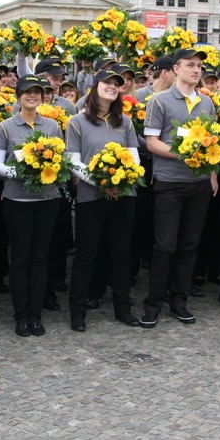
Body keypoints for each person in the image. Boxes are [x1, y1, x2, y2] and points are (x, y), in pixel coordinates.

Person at [141, 48, 218, 328]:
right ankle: (153, 303)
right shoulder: (159, 101)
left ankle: (179, 301)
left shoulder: (207, 103)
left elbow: (211, 142)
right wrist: (184, 154)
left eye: (199, 66)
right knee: (165, 245)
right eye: (190, 65)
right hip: (170, 182)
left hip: (197, 184)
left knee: (189, 244)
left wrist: (210, 173)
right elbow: (152, 142)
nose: (196, 70)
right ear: (176, 69)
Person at [65, 68, 143, 332]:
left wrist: (119, 182)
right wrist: (102, 182)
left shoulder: (126, 122)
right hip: (91, 197)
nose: (112, 87)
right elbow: (73, 161)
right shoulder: (77, 121)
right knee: (86, 254)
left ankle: (123, 308)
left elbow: (134, 158)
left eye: (116, 84)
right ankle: (77, 312)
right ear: (95, 85)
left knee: (121, 253)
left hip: (124, 195)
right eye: (107, 82)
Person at [0, 76, 62, 336]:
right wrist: (19, 172)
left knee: (40, 257)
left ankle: (35, 313)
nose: (32, 96)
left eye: (37, 92)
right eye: (27, 92)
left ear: (43, 97)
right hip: (16, 200)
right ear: (18, 95)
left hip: (47, 199)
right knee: (20, 258)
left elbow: (61, 159)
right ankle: (21, 315)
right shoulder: (6, 126)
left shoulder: (52, 126)